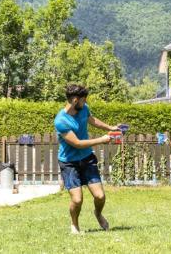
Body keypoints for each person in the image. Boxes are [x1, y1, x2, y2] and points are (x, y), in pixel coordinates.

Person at [54, 84, 121, 234]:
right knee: (77, 200)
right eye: (83, 100)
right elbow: (77, 143)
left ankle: (97, 213)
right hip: (69, 162)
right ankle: (74, 224)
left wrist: (110, 128)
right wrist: (102, 140)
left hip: (87, 158)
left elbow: (92, 120)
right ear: (75, 100)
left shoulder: (83, 108)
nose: (85, 102)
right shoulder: (61, 121)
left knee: (100, 196)